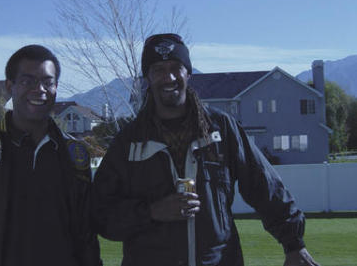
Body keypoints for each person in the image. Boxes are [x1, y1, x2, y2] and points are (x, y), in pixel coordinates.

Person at [92, 33, 319, 266]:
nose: (168, 77)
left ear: (188, 73)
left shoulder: (220, 129)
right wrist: (151, 212)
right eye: (158, 69)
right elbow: (101, 215)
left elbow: (264, 185)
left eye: (175, 67)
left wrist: (294, 245)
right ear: (147, 78)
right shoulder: (129, 142)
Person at [0, 45, 102, 266]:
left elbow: (86, 237)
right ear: (10, 86)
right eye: (28, 81)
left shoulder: (75, 153)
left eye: (48, 82)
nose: (40, 89)